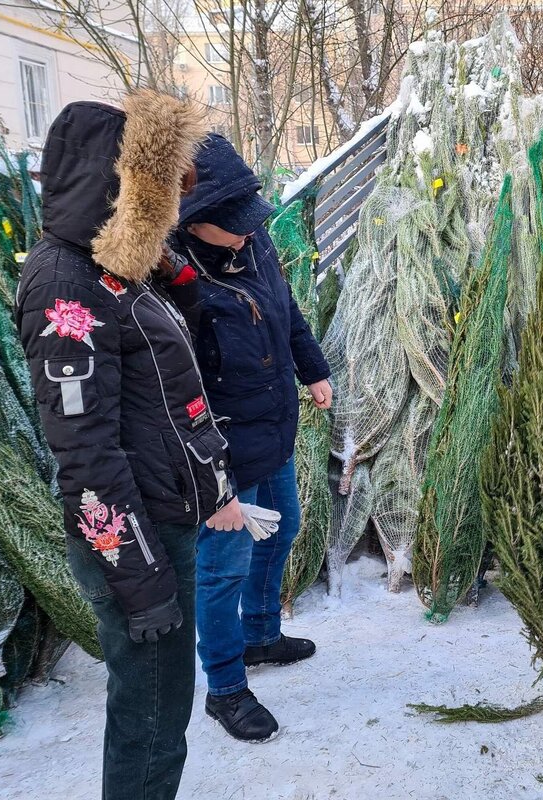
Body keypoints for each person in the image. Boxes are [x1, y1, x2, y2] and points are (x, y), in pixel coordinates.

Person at [16, 92, 232, 799]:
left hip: (160, 518)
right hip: (130, 540)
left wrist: (172, 275)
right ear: (112, 184)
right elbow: (85, 456)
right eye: (156, 191)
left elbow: (166, 373)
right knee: (149, 718)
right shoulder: (63, 287)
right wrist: (139, 583)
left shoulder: (113, 271)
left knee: (161, 712)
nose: (167, 206)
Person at [167, 134, 333, 743]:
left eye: (248, 223)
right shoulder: (170, 273)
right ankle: (226, 687)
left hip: (273, 424)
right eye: (232, 226)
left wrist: (312, 367)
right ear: (193, 221)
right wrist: (203, 458)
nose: (247, 234)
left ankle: (262, 632)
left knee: (284, 526)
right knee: (222, 569)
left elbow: (284, 307)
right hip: (219, 447)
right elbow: (167, 379)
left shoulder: (252, 242)